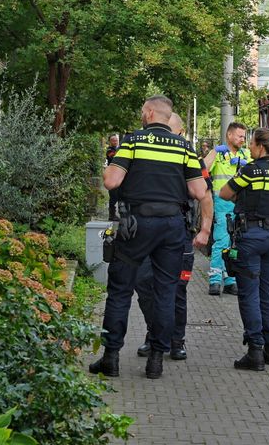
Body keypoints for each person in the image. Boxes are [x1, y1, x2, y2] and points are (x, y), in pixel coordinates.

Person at [89, 95, 212, 380]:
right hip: (172, 227)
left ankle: (111, 358)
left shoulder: (133, 141)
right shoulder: (185, 147)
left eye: (143, 111)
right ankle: (156, 360)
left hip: (136, 224)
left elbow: (111, 181)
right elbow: (198, 191)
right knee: (166, 292)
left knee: (120, 290)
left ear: (149, 112)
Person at [134, 113, 213, 361]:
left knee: (177, 290)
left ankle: (176, 340)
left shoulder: (189, 157)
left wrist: (205, 230)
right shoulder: (143, 151)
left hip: (178, 234)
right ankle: (154, 333)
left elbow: (205, 195)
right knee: (144, 284)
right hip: (146, 233)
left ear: (178, 134)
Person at [218, 128, 269, 371]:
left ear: (260, 146)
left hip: (251, 237)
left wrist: (242, 199)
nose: (248, 146)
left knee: (248, 294)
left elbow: (224, 192)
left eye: (251, 143)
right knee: (265, 293)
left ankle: (255, 350)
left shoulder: (251, 170)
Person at [203, 122, 250, 296]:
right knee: (221, 241)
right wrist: (214, 152)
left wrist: (245, 165)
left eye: (244, 137)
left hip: (240, 204)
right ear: (229, 135)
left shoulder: (246, 154)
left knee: (236, 243)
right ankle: (215, 280)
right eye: (240, 136)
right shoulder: (219, 153)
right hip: (222, 203)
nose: (243, 139)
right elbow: (204, 168)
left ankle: (231, 279)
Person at [106, 134, 120, 221]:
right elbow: (114, 157)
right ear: (110, 142)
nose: (115, 142)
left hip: (119, 175)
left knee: (121, 194)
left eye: (116, 140)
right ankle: (111, 215)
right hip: (111, 175)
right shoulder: (109, 150)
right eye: (113, 140)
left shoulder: (119, 149)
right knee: (113, 195)